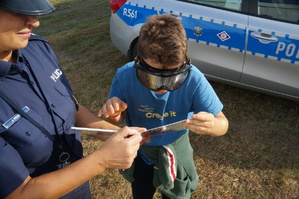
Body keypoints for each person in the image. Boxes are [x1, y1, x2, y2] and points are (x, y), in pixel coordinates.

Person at [0, 1, 150, 198]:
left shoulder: (36, 49)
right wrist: (101, 160)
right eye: (18, 11)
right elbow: (18, 193)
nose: (35, 22)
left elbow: (72, 109)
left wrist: (117, 134)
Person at [98, 14, 229, 199]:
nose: (163, 87)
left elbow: (223, 124)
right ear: (139, 60)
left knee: (176, 195)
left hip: (176, 149)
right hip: (141, 151)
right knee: (141, 191)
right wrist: (114, 113)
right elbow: (118, 120)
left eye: (173, 77)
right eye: (153, 77)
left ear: (184, 62)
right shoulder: (124, 76)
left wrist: (213, 126)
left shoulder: (194, 78)